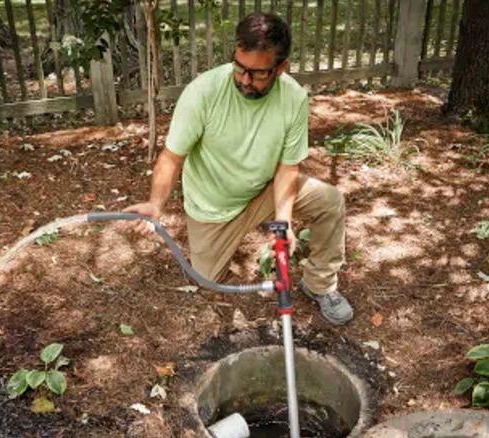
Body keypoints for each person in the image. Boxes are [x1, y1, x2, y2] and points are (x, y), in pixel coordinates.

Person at [124, 12, 353, 325]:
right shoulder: (204, 92)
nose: (244, 80)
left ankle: (320, 284)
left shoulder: (294, 98)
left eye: (257, 73)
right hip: (213, 208)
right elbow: (171, 157)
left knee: (329, 201)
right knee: (206, 279)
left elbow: (288, 168)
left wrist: (283, 224)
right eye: (239, 67)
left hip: (265, 188)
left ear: (281, 67)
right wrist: (156, 203)